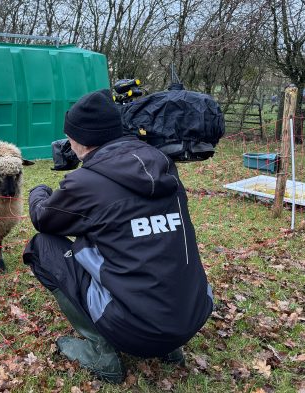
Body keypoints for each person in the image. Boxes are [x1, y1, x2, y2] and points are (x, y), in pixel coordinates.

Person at [23, 89, 213, 383]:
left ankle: (101, 351)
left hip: (137, 332)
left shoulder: (86, 183)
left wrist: (40, 192)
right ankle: (171, 347)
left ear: (81, 140)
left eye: (70, 136)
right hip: (193, 314)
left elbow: (43, 219)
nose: (68, 144)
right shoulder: (163, 164)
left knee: (42, 246)